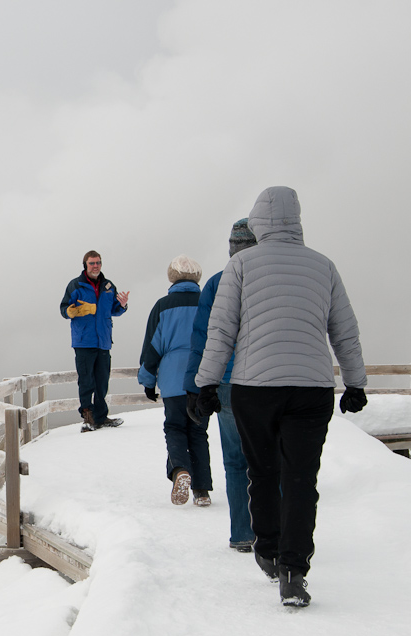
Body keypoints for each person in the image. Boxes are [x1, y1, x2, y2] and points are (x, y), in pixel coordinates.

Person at [194, 186, 367, 608]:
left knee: (263, 472)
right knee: (301, 479)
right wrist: (356, 383)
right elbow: (344, 330)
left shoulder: (241, 266)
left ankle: (268, 549)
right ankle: (294, 570)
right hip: (311, 389)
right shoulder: (324, 266)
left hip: (255, 388)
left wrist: (206, 384)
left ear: (258, 221)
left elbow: (222, 331)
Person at [184, 219, 258, 551]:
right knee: (274, 457)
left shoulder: (216, 283)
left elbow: (202, 338)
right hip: (266, 381)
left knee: (235, 460)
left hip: (227, 382)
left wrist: (194, 386)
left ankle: (243, 532)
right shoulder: (270, 279)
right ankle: (278, 531)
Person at [137, 255, 212, 506]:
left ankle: (180, 469)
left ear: (172, 277)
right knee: (199, 432)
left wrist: (148, 380)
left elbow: (153, 347)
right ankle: (202, 491)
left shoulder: (163, 306)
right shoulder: (208, 304)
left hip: (172, 380)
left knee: (175, 427)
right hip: (203, 377)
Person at [60, 250, 130, 432]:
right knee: (86, 381)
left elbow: (114, 309)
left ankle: (101, 416)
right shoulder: (76, 285)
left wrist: (122, 305)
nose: (95, 266)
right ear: (85, 265)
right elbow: (63, 308)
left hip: (104, 341)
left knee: (102, 381)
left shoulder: (108, 286)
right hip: (84, 341)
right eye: (92, 263)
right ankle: (88, 417)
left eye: (98, 262)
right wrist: (72, 311)